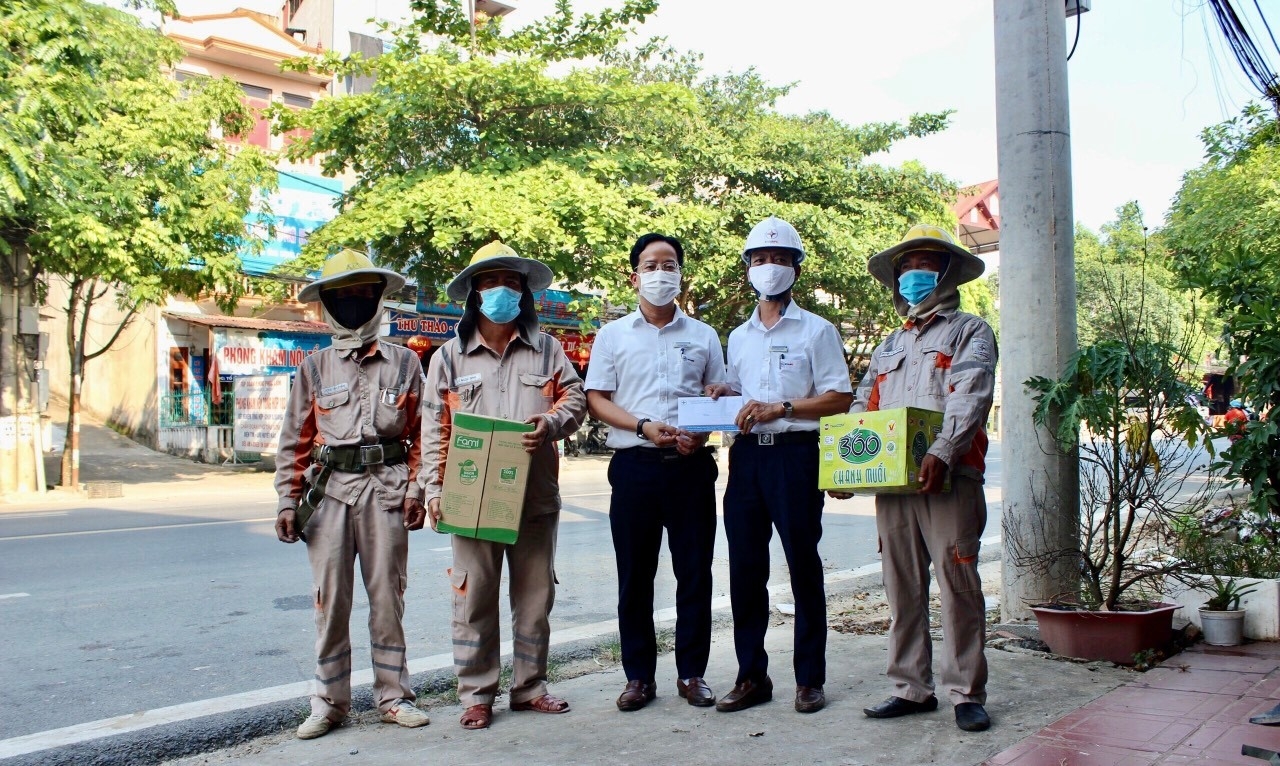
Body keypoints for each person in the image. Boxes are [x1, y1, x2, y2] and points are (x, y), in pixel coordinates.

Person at [836, 224, 997, 733]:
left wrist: (944, 450)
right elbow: (865, 405)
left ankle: (966, 692)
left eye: (925, 264)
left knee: (958, 584)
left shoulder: (969, 330)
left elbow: (969, 394)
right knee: (902, 587)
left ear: (947, 273)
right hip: (894, 483)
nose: (913, 274)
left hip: (950, 477)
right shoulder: (887, 345)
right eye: (906, 266)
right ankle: (910, 687)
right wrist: (845, 464)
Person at [419, 241, 587, 730]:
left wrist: (552, 423)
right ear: (474, 293)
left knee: (534, 598)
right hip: (470, 497)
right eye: (491, 282)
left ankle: (530, 687)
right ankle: (477, 693)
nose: (501, 291)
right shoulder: (449, 358)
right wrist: (434, 490)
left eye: (511, 283)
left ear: (524, 294)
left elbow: (575, 398)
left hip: (534, 495)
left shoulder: (549, 349)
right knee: (474, 599)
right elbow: (435, 429)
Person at [273, 248, 431, 740]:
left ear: (379, 297)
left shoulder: (405, 363)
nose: (355, 303)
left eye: (365, 292)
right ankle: (328, 703)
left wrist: (416, 488)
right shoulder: (314, 367)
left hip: (387, 492)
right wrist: (285, 499)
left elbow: (426, 434)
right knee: (330, 603)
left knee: (388, 600)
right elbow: (294, 439)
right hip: (328, 498)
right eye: (343, 295)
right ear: (328, 302)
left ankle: (393, 696)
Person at [706, 216, 854, 715]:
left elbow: (838, 397)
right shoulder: (739, 335)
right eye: (760, 259)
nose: (769, 267)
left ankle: (809, 678)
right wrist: (723, 391)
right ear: (747, 268)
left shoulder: (818, 330)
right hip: (746, 459)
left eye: (779, 259)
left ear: (796, 268)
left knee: (802, 567)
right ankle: (752, 676)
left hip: (796, 457)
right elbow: (739, 388)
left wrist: (784, 408)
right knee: (746, 570)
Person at [584, 233, 727, 711]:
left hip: (691, 469)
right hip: (634, 468)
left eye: (669, 265)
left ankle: (692, 673)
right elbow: (597, 399)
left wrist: (701, 433)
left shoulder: (704, 335)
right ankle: (638, 677)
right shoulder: (612, 335)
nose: (660, 273)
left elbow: (718, 396)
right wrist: (644, 426)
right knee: (635, 577)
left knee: (695, 575)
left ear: (681, 275)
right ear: (634, 276)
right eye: (651, 265)